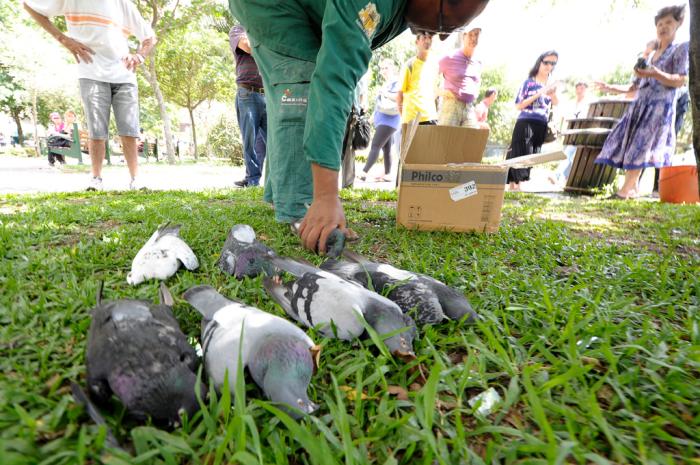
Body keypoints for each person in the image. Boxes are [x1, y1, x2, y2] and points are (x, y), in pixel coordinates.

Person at [228, 0, 490, 253]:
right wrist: (326, 196)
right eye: (445, 25)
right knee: (300, 85)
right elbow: (333, 80)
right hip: (270, 5)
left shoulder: (410, 10)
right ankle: (303, 209)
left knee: (290, 93)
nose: (441, 38)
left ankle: (283, 196)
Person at [24, 0, 155, 191]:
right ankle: (96, 179)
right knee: (96, 131)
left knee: (129, 130)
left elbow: (150, 37)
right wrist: (64, 39)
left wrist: (139, 56)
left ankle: (136, 179)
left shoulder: (123, 3)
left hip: (124, 75)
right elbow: (29, 6)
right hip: (91, 72)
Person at [594, 5, 688, 200]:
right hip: (639, 106)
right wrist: (609, 87)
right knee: (626, 143)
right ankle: (633, 188)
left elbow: (680, 79)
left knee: (642, 145)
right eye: (660, 23)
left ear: (679, 23)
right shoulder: (650, 55)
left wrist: (655, 73)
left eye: (669, 22)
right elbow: (633, 86)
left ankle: (625, 190)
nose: (663, 27)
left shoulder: (680, 49)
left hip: (659, 108)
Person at [506, 50, 560, 191]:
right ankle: (514, 186)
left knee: (531, 154)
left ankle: (520, 184)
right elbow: (519, 105)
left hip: (541, 124)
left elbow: (556, 103)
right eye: (546, 62)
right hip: (525, 121)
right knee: (519, 151)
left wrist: (552, 94)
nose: (549, 66)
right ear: (539, 62)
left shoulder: (551, 84)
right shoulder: (528, 83)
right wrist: (540, 92)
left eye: (553, 63)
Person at [229, 25, 267, 188]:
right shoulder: (238, 30)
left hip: (269, 93)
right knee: (250, 139)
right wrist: (266, 45)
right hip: (247, 92)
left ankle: (273, 180)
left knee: (272, 140)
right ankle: (252, 180)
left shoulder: (266, 29)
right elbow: (247, 46)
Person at [358, 59, 400, 183]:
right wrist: (372, 118)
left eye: (386, 68)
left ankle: (364, 172)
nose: (383, 71)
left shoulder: (396, 82)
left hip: (390, 120)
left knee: (375, 145)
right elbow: (379, 105)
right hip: (382, 120)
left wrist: (385, 93)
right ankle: (387, 174)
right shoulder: (386, 83)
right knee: (386, 149)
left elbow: (398, 98)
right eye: (381, 68)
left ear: (392, 68)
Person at [437, 25, 483, 128]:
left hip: (469, 107)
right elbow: (429, 77)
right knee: (447, 140)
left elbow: (477, 81)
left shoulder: (478, 62)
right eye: (470, 35)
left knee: (472, 139)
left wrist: (475, 93)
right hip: (451, 105)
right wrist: (441, 92)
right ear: (463, 37)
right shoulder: (449, 57)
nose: (474, 38)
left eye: (476, 34)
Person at [549, 81, 589, 185]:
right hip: (569, 133)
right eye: (578, 87)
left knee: (569, 154)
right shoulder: (571, 104)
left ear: (586, 90)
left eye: (582, 87)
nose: (580, 89)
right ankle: (566, 180)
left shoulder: (588, 104)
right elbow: (561, 110)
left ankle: (557, 176)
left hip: (581, 134)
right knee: (569, 156)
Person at [398, 31, 439, 126]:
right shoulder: (409, 65)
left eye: (430, 37)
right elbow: (399, 95)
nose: (428, 40)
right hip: (412, 120)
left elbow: (434, 92)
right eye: (424, 37)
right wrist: (404, 119)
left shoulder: (434, 65)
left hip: (431, 118)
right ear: (417, 42)